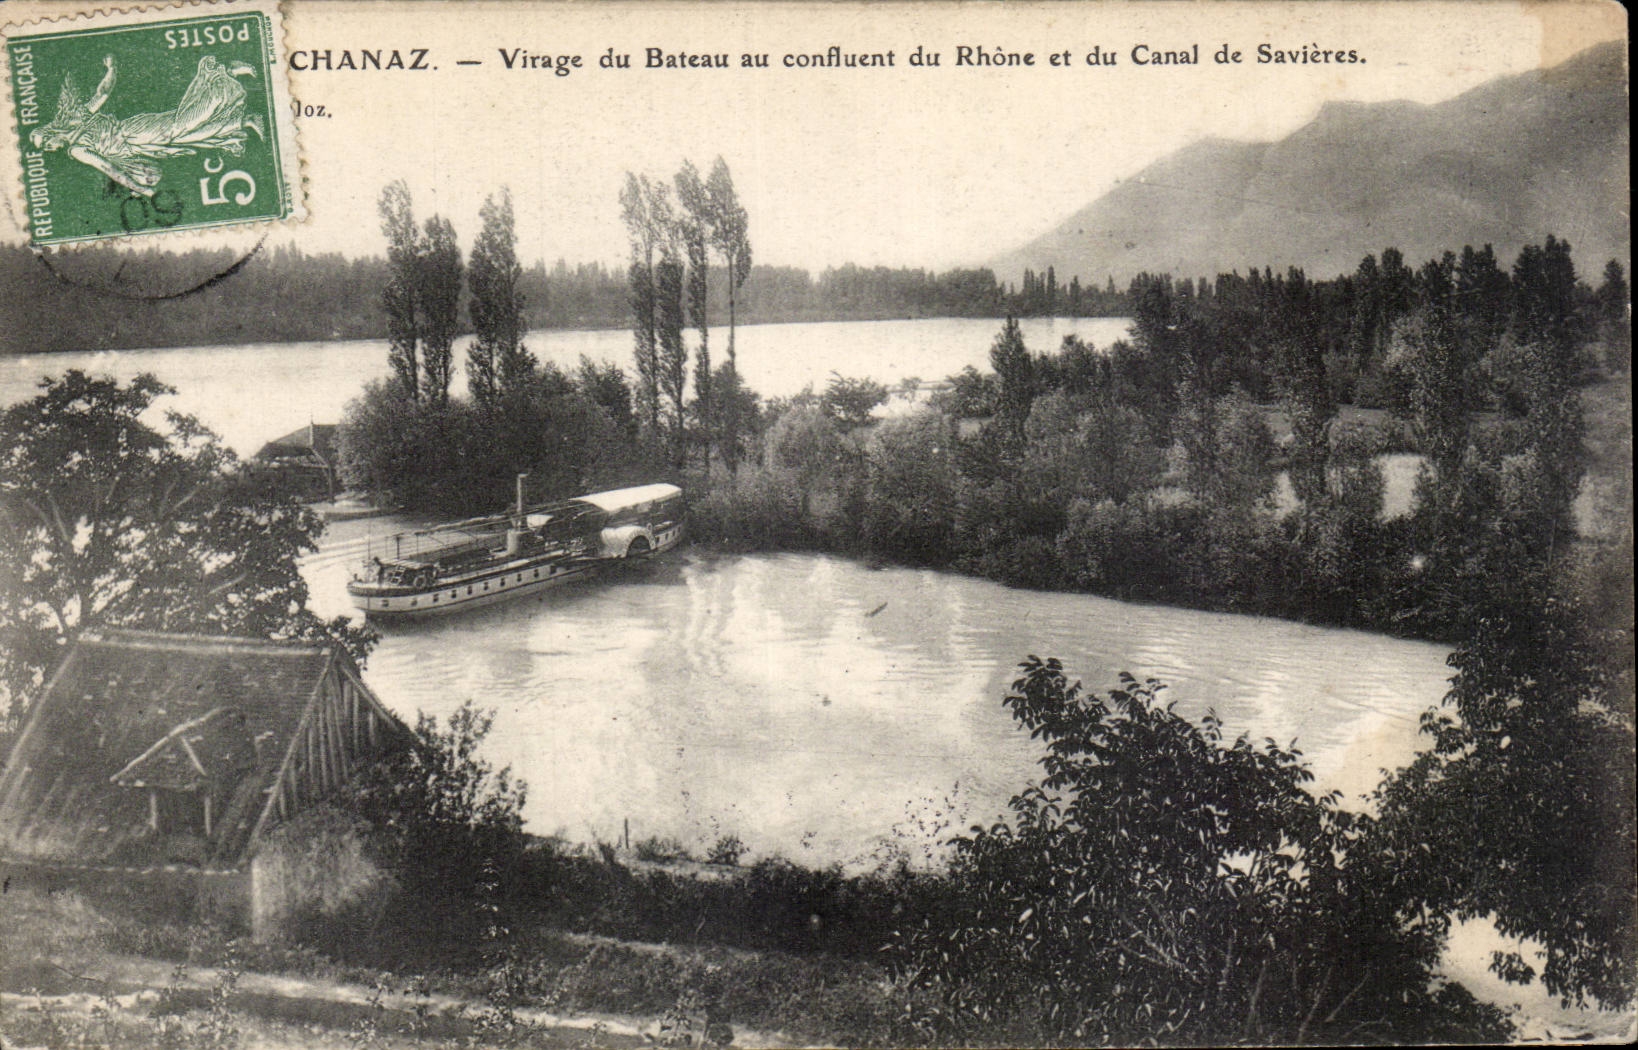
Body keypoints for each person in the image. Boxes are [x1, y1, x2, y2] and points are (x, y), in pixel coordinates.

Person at [30, 54, 264, 197]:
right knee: (188, 134)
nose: (49, 148)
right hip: (138, 144)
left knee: (180, 125)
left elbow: (109, 168)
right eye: (45, 149)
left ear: (51, 132)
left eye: (46, 142)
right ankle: (244, 121)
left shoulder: (77, 144)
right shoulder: (75, 132)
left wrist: (112, 70)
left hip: (134, 133)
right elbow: (112, 167)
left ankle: (223, 73)